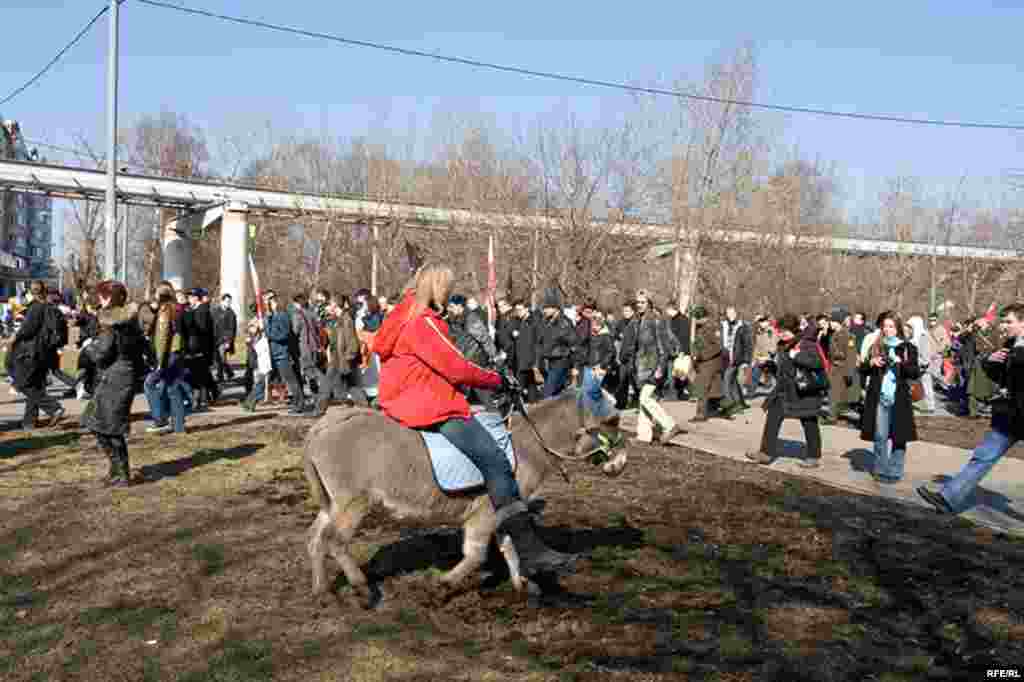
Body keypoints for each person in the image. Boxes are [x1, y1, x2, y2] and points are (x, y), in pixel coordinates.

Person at [373, 263, 575, 577]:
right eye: (448, 287)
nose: (451, 293)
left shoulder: (400, 315)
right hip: (427, 404)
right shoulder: (422, 323)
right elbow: (456, 368)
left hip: (404, 398)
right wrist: (497, 380)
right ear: (436, 287)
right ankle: (529, 550)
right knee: (496, 460)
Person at [918, 303, 1024, 514]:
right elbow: (1000, 376)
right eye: (1003, 321)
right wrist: (989, 361)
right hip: (1011, 416)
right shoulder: (1011, 344)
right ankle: (948, 498)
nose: (1004, 325)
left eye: (1009, 321)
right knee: (983, 456)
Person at [80, 281, 148, 486]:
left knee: (108, 426)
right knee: (100, 423)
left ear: (108, 298)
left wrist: (88, 348)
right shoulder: (128, 321)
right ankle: (117, 469)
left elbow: (102, 353)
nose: (99, 299)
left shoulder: (110, 322)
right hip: (120, 377)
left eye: (102, 295)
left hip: (114, 378)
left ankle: (122, 472)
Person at [746, 314, 826, 468]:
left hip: (804, 391)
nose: (781, 334)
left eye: (785, 331)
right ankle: (765, 453)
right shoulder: (782, 344)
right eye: (780, 331)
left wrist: (797, 356)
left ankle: (813, 456)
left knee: (809, 421)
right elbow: (783, 370)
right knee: (773, 415)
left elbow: (817, 363)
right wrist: (769, 365)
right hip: (786, 391)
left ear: (793, 329)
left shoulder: (805, 343)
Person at [860, 311, 920, 483]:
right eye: (885, 326)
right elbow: (862, 369)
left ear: (898, 328)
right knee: (880, 435)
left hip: (900, 397)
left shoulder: (908, 348)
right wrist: (870, 363)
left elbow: (914, 372)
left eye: (891, 326)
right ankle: (880, 469)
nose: (887, 330)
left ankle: (895, 470)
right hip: (880, 396)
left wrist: (901, 362)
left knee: (899, 436)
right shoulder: (877, 346)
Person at [9, 280, 64, 429]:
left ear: (32, 292)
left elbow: (27, 330)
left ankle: (54, 408)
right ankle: (29, 422)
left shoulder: (36, 308)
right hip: (45, 353)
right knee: (36, 385)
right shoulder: (52, 308)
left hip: (31, 352)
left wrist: (14, 337)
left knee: (23, 384)